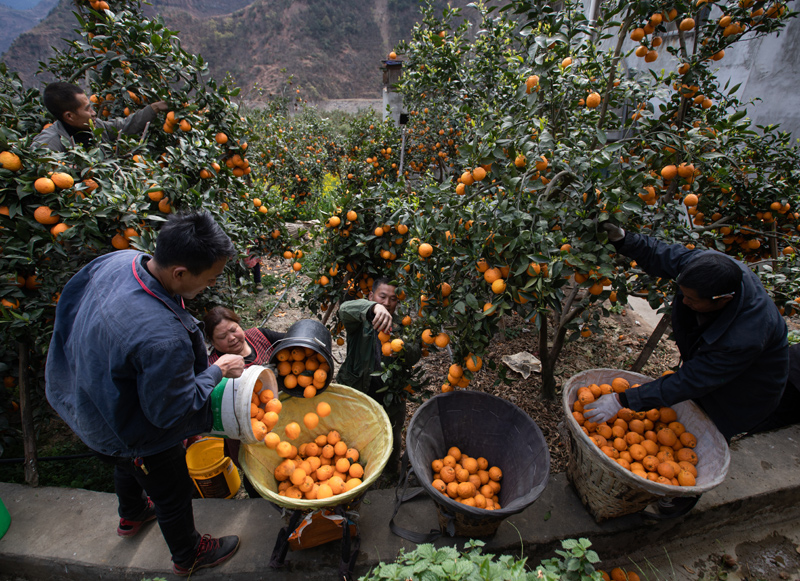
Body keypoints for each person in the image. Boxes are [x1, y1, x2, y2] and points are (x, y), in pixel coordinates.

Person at [45, 212, 245, 576]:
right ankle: (188, 554)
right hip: (132, 427)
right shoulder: (161, 338)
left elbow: (72, 301)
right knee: (169, 490)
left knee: (126, 462)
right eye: (209, 279)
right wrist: (217, 370)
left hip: (89, 402)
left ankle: (132, 515)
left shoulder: (121, 261)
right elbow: (170, 412)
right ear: (180, 273)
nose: (210, 286)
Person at [584, 225, 791, 516]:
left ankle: (678, 500)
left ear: (723, 300)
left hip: (746, 390)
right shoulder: (706, 268)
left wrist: (622, 400)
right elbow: (662, 254)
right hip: (712, 364)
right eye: (682, 294)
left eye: (692, 300)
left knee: (706, 432)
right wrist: (624, 239)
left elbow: (691, 381)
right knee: (677, 421)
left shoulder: (744, 336)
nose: (683, 302)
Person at [336, 278, 421, 472]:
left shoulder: (403, 326)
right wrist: (373, 308)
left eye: (393, 299)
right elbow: (344, 309)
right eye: (382, 297)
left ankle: (391, 468)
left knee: (391, 432)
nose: (387, 303)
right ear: (371, 296)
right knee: (353, 433)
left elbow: (414, 355)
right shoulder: (359, 321)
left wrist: (398, 340)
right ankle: (354, 468)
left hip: (390, 393)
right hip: (358, 388)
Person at [203, 305, 286, 496]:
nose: (231, 338)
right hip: (247, 434)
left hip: (282, 418)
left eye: (233, 330)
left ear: (240, 325)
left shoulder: (259, 336)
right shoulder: (215, 367)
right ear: (212, 343)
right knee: (256, 476)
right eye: (222, 337)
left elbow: (293, 342)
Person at [33, 81, 168, 152]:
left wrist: (154, 108)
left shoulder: (95, 126)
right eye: (87, 109)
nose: (93, 113)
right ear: (69, 116)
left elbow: (125, 125)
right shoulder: (49, 144)